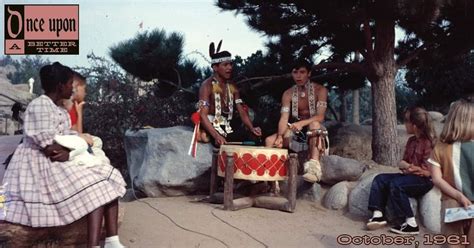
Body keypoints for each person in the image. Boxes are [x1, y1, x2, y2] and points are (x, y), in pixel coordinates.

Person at [2, 62, 126, 248]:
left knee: (107, 175)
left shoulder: (59, 109)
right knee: (95, 186)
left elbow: (65, 137)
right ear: (60, 86)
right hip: (38, 164)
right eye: (70, 84)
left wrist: (72, 148)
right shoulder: (40, 105)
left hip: (57, 157)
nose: (73, 88)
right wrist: (70, 150)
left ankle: (111, 241)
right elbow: (48, 147)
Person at [366, 107, 436, 235]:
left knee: (397, 184)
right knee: (380, 178)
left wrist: (411, 168)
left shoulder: (429, 143)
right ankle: (378, 214)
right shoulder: (411, 141)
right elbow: (403, 163)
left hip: (424, 180)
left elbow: (427, 172)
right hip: (409, 175)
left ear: (414, 125)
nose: (404, 125)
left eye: (406, 121)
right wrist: (410, 167)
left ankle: (410, 223)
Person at [265, 58, 328, 183]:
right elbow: (284, 118)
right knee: (269, 140)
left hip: (314, 128)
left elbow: (320, 117)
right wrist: (279, 136)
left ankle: (313, 169)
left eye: (302, 72)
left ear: (309, 73)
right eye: (295, 72)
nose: (298, 76)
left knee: (314, 125)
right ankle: (272, 180)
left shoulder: (321, 90)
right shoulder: (288, 93)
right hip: (295, 129)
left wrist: (301, 123)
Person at [428, 97, 474, 247]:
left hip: (451, 204)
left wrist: (458, 196)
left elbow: (436, 179)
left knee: (452, 243)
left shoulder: (439, 147)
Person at [198, 40, 262, 146]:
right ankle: (205, 134)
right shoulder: (207, 86)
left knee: (254, 138)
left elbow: (241, 111)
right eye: (225, 65)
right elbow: (202, 115)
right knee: (226, 141)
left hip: (228, 124)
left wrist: (252, 128)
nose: (230, 68)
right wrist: (216, 136)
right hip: (212, 124)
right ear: (215, 67)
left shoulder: (232, 87)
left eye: (231, 64)